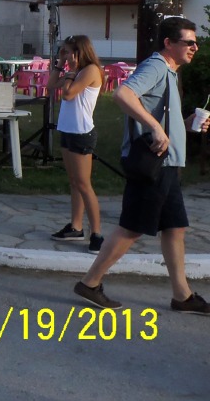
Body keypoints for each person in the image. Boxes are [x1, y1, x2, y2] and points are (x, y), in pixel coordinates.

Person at [74, 17, 210, 313]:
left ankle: (182, 296)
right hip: (153, 165)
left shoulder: (170, 72)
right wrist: (155, 128)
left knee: (175, 228)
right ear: (169, 43)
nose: (194, 47)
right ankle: (90, 283)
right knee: (132, 228)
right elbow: (122, 94)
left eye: (196, 42)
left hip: (168, 165)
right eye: (189, 42)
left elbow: (160, 118)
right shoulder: (157, 66)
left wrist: (186, 124)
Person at [48, 35, 105, 253]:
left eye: (68, 51)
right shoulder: (75, 71)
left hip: (81, 132)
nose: (66, 55)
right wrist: (60, 64)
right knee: (74, 182)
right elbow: (50, 85)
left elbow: (68, 94)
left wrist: (70, 71)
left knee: (83, 184)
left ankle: (97, 233)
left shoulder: (90, 70)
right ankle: (76, 226)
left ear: (79, 51)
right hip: (68, 130)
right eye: (63, 51)